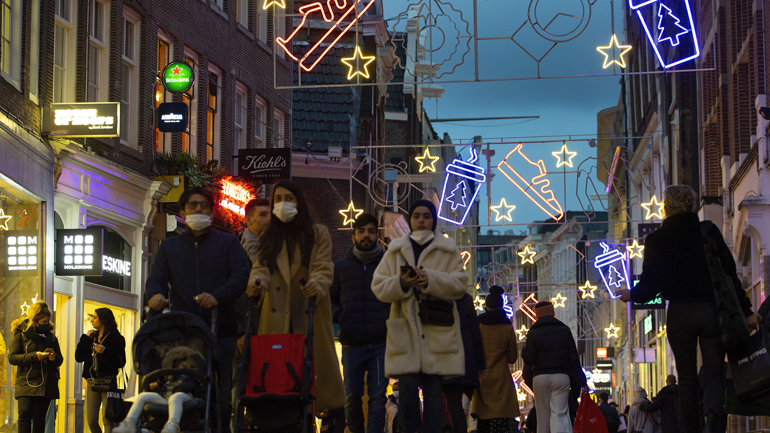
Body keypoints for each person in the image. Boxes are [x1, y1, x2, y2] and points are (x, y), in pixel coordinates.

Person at [619, 185, 761, 433]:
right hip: (711, 310)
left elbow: (651, 284)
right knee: (714, 375)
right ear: (693, 205)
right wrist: (747, 310)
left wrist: (631, 294)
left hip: (680, 314)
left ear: (666, 207)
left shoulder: (656, 240)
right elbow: (728, 275)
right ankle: (714, 426)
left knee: (686, 380)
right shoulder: (708, 232)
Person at [146, 186, 251, 433]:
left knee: (223, 398)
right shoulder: (170, 248)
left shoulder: (228, 243)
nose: (198, 209)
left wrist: (217, 296)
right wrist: (156, 296)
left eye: (203, 205)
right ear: (183, 210)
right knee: (187, 391)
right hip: (185, 334)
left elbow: (241, 275)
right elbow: (156, 278)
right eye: (193, 205)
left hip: (222, 331)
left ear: (212, 212)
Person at [246, 180, 346, 418]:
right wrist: (256, 285)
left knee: (308, 380)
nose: (283, 204)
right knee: (277, 382)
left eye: (289, 198)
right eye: (278, 199)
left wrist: (317, 284)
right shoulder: (268, 237)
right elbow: (260, 267)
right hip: (276, 317)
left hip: (307, 311)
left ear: (299, 202)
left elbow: (324, 267)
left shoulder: (317, 233)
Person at [371, 199, 468, 433]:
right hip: (404, 330)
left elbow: (460, 284)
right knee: (406, 392)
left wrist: (431, 279)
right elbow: (378, 286)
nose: (421, 220)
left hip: (436, 329)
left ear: (433, 219)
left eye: (426, 216)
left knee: (434, 392)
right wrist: (401, 282)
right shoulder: (395, 249)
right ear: (410, 219)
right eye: (416, 215)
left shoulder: (447, 248)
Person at [329, 213, 390, 433]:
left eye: (371, 231)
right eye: (362, 231)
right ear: (354, 235)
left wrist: (387, 318)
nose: (366, 236)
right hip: (351, 341)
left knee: (377, 397)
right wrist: (341, 316)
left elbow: (395, 296)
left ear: (377, 235)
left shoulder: (387, 266)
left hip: (380, 342)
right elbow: (330, 299)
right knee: (351, 397)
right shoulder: (340, 267)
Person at [233, 197, 271, 431]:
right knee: (238, 388)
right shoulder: (237, 254)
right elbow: (234, 296)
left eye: (270, 215)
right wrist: (239, 331)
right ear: (248, 220)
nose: (268, 220)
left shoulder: (275, 253)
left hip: (268, 331)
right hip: (246, 331)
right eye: (262, 215)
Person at [521, 300, 584, 433]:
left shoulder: (533, 333)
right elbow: (574, 360)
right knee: (560, 414)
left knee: (542, 416)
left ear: (537, 315)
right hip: (561, 376)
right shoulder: (565, 330)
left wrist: (528, 378)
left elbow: (529, 360)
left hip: (540, 377)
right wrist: (582, 381)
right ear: (553, 312)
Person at [113, 346, 205, 433]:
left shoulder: (192, 375)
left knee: (176, 397)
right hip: (167, 397)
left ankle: (172, 425)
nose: (183, 363)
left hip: (185, 397)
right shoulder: (169, 377)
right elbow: (163, 387)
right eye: (180, 361)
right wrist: (157, 386)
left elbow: (197, 385)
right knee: (142, 396)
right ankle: (129, 423)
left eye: (185, 361)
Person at [7, 301, 63, 433]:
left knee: (39, 419)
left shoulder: (51, 337)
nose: (46, 325)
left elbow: (60, 359)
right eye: (43, 322)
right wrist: (34, 356)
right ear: (35, 321)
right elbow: (13, 357)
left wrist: (54, 357)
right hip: (27, 382)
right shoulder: (21, 334)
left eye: (47, 321)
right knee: (25, 416)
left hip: (46, 384)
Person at [470, 286, 518, 433]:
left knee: (483, 424)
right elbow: (512, 358)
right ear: (501, 306)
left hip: (482, 380)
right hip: (501, 382)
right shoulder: (507, 327)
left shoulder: (478, 325)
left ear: (486, 306)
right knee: (500, 424)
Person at [74, 308, 127, 433]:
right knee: (91, 420)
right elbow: (79, 357)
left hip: (108, 382)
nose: (92, 320)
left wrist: (105, 351)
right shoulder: (92, 337)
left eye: (95, 317)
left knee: (108, 419)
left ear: (103, 320)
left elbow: (121, 361)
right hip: (92, 382)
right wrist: (86, 338)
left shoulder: (116, 338)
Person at [443, 292, 485, 433]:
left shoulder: (432, 293)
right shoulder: (465, 298)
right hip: (463, 355)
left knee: (436, 402)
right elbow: (475, 332)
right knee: (455, 406)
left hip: (439, 352)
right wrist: (480, 364)